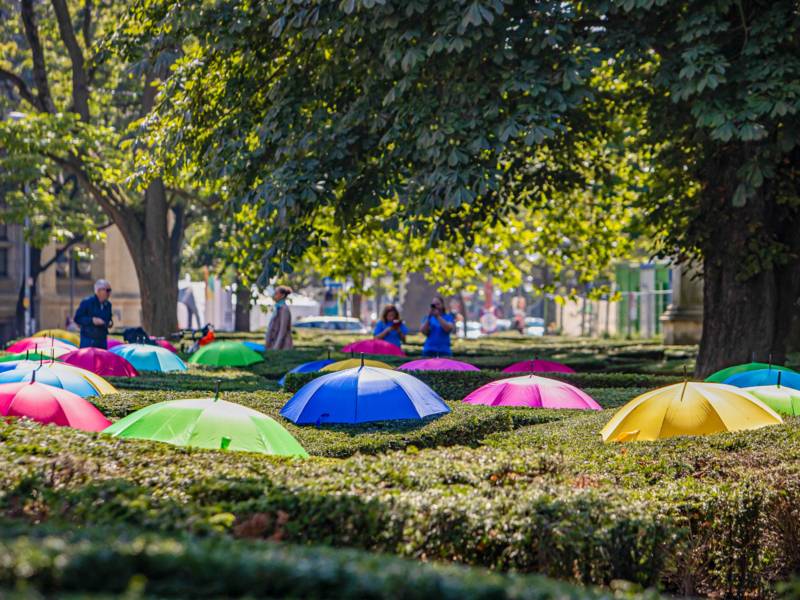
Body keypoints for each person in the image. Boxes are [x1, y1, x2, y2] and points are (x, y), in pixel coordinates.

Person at [74, 279, 113, 349]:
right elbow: (77, 318)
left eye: (110, 290)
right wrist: (92, 320)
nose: (109, 293)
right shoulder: (87, 302)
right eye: (107, 290)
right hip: (88, 340)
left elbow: (109, 319)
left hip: (102, 340)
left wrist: (109, 323)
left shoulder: (108, 305)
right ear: (98, 291)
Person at [265, 285, 293, 350]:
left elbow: (283, 330)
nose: (274, 295)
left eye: (276, 293)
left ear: (282, 295)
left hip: (282, 346)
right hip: (274, 343)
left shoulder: (284, 309)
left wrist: (276, 347)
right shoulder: (278, 307)